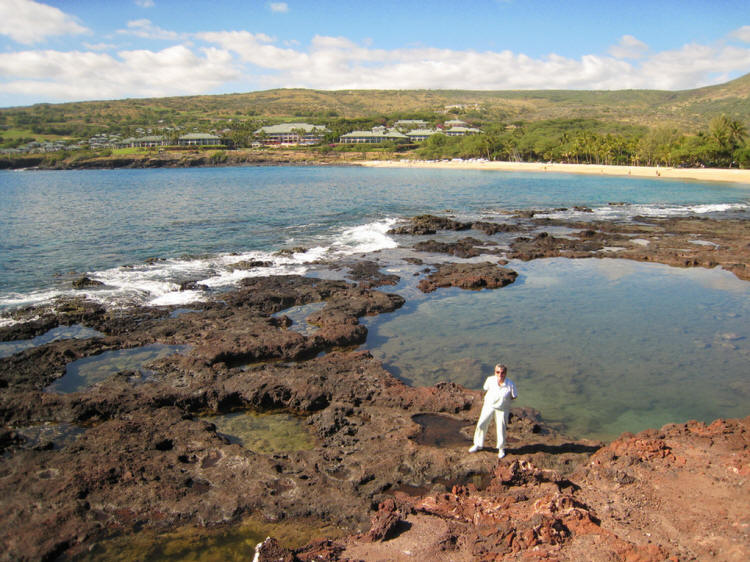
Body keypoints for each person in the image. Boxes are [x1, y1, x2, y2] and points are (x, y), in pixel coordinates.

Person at [468, 363, 517, 458]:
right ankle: (478, 444)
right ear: (495, 372)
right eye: (497, 372)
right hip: (489, 406)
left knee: (501, 428)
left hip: (502, 409)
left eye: (502, 373)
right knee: (482, 424)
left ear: (505, 373)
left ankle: (501, 448)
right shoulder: (490, 380)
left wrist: (504, 402)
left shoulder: (510, 384)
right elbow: (485, 388)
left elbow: (514, 396)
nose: (500, 375)